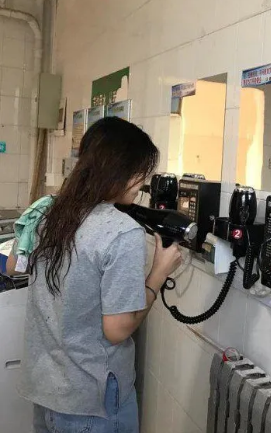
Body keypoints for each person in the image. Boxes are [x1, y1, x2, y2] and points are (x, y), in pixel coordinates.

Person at [6, 117, 182, 433]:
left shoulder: (48, 210)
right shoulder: (122, 232)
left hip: (46, 389)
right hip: (91, 401)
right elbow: (117, 330)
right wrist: (158, 273)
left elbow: (14, 266)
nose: (142, 182)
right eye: (140, 171)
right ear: (118, 169)